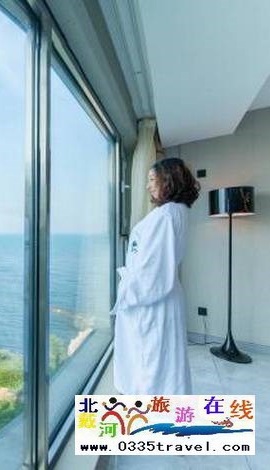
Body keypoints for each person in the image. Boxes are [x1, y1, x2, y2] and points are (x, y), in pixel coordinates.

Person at [111, 157, 200, 395]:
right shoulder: (178, 211)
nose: (148, 186)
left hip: (153, 302)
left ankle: (152, 413)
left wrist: (126, 292)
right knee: (164, 367)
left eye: (152, 179)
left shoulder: (165, 216)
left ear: (168, 180)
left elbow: (151, 273)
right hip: (165, 296)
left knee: (152, 367)